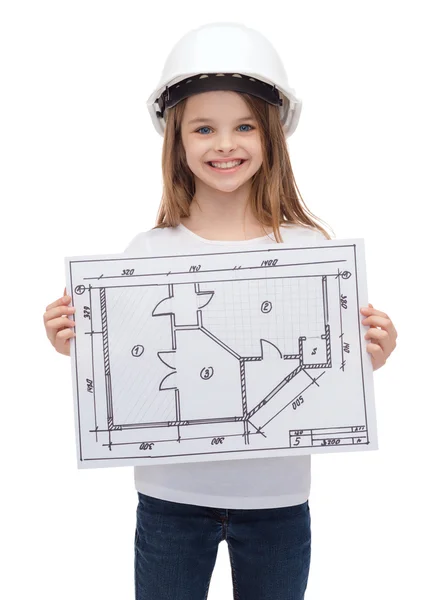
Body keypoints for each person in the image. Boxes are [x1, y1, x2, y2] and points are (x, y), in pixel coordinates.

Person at [43, 22, 398, 600]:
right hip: (170, 502)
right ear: (177, 140)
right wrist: (73, 342)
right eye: (204, 128)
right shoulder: (146, 255)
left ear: (272, 136)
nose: (224, 144)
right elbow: (128, 372)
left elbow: (325, 374)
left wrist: (368, 357)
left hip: (278, 502)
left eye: (244, 127)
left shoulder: (308, 251)